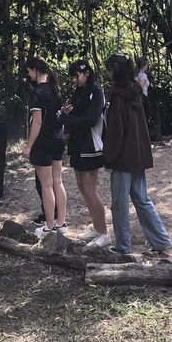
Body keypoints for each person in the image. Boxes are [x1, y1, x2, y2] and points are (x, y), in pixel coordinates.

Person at [103, 54, 172, 255]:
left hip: (123, 157)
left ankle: (122, 247)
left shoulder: (119, 96)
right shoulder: (135, 90)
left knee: (120, 203)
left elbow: (116, 131)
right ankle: (161, 240)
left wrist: (108, 157)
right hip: (137, 154)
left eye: (109, 70)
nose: (108, 74)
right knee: (141, 198)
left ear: (115, 71)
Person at [58, 60, 110, 248]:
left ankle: (104, 233)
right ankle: (96, 228)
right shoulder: (79, 92)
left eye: (76, 75)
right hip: (77, 144)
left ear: (86, 73)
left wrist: (66, 119)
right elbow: (75, 113)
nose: (74, 80)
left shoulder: (96, 92)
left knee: (90, 189)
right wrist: (65, 113)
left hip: (91, 145)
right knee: (81, 187)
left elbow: (91, 119)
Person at [23, 57, 68, 236]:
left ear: (35, 70)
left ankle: (49, 226)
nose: (28, 75)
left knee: (46, 186)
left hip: (42, 143)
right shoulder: (55, 89)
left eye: (29, 71)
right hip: (57, 140)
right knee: (58, 182)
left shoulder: (37, 93)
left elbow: (37, 122)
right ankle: (61, 223)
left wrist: (28, 146)